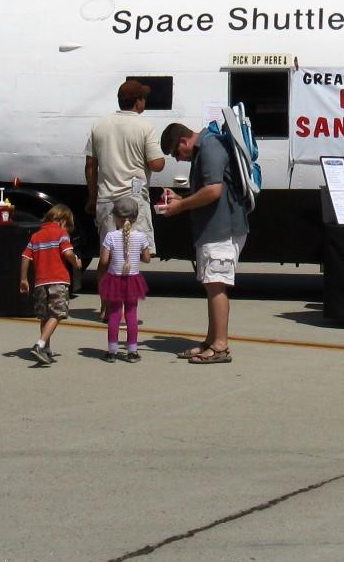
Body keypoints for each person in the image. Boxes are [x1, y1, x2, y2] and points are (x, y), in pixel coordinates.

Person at [157, 120, 248, 364]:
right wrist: (181, 197)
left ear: (184, 141)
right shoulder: (206, 147)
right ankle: (211, 340)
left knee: (216, 285)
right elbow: (208, 190)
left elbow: (213, 191)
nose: (178, 159)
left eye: (177, 152)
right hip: (214, 228)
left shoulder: (209, 148)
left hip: (222, 229)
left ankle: (220, 346)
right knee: (211, 285)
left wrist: (179, 207)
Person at [85, 77, 165, 258]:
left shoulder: (99, 125)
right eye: (143, 98)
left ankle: (105, 287)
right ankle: (128, 287)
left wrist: (92, 197)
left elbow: (90, 165)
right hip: (133, 200)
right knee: (134, 254)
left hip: (106, 200)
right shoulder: (145, 126)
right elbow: (156, 165)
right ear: (138, 102)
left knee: (107, 254)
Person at [18, 204, 80, 366]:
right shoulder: (61, 234)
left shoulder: (36, 236)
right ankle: (40, 345)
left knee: (44, 316)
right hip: (58, 281)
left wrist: (24, 279)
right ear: (61, 221)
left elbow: (25, 257)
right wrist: (76, 262)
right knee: (57, 314)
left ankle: (46, 349)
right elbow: (67, 253)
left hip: (40, 282)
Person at [97, 194, 151, 362]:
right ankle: (132, 351)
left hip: (115, 279)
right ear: (135, 217)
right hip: (133, 280)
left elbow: (104, 261)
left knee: (114, 314)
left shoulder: (111, 237)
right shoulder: (141, 237)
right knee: (131, 315)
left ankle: (112, 351)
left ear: (114, 217)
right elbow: (147, 259)